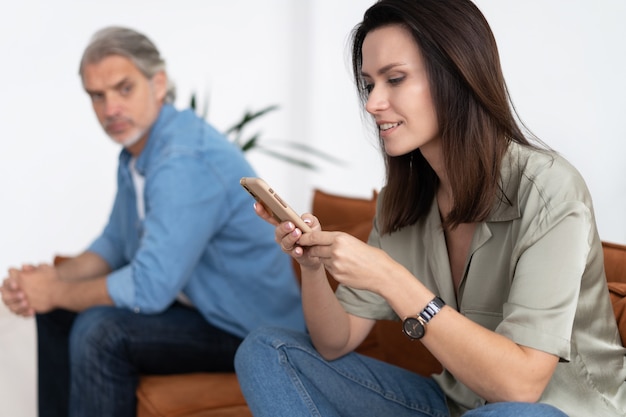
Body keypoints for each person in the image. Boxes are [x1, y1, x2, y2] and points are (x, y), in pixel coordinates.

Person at [233, 0, 626, 416]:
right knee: (267, 350)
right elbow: (336, 341)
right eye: (370, 85)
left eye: (395, 79)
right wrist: (311, 266)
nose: (372, 103)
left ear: (457, 75)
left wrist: (391, 279)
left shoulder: (549, 190)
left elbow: (521, 386)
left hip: (556, 409)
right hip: (456, 406)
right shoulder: (404, 202)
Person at [0, 26, 305, 417]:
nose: (110, 108)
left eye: (123, 89)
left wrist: (54, 291)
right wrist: (50, 281)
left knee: (101, 332)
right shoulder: (135, 155)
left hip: (249, 327)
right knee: (58, 311)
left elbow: (148, 287)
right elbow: (113, 243)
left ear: (158, 84)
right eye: (97, 95)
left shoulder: (183, 158)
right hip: (201, 311)